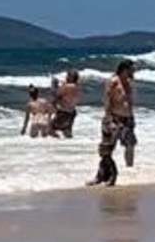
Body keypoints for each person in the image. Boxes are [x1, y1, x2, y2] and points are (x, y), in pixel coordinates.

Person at [89, 59, 138, 187]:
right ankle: (104, 175)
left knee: (130, 145)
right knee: (107, 149)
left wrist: (132, 117)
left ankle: (130, 175)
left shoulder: (129, 82)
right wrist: (108, 118)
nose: (134, 71)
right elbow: (107, 100)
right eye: (132, 69)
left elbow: (129, 102)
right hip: (114, 118)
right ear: (125, 69)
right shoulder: (113, 81)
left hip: (127, 119)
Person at [53, 71, 81, 139]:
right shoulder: (76, 86)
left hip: (64, 111)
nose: (66, 77)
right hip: (72, 111)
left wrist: (56, 86)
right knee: (67, 131)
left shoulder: (68, 86)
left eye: (68, 76)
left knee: (51, 128)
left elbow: (58, 95)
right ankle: (69, 146)